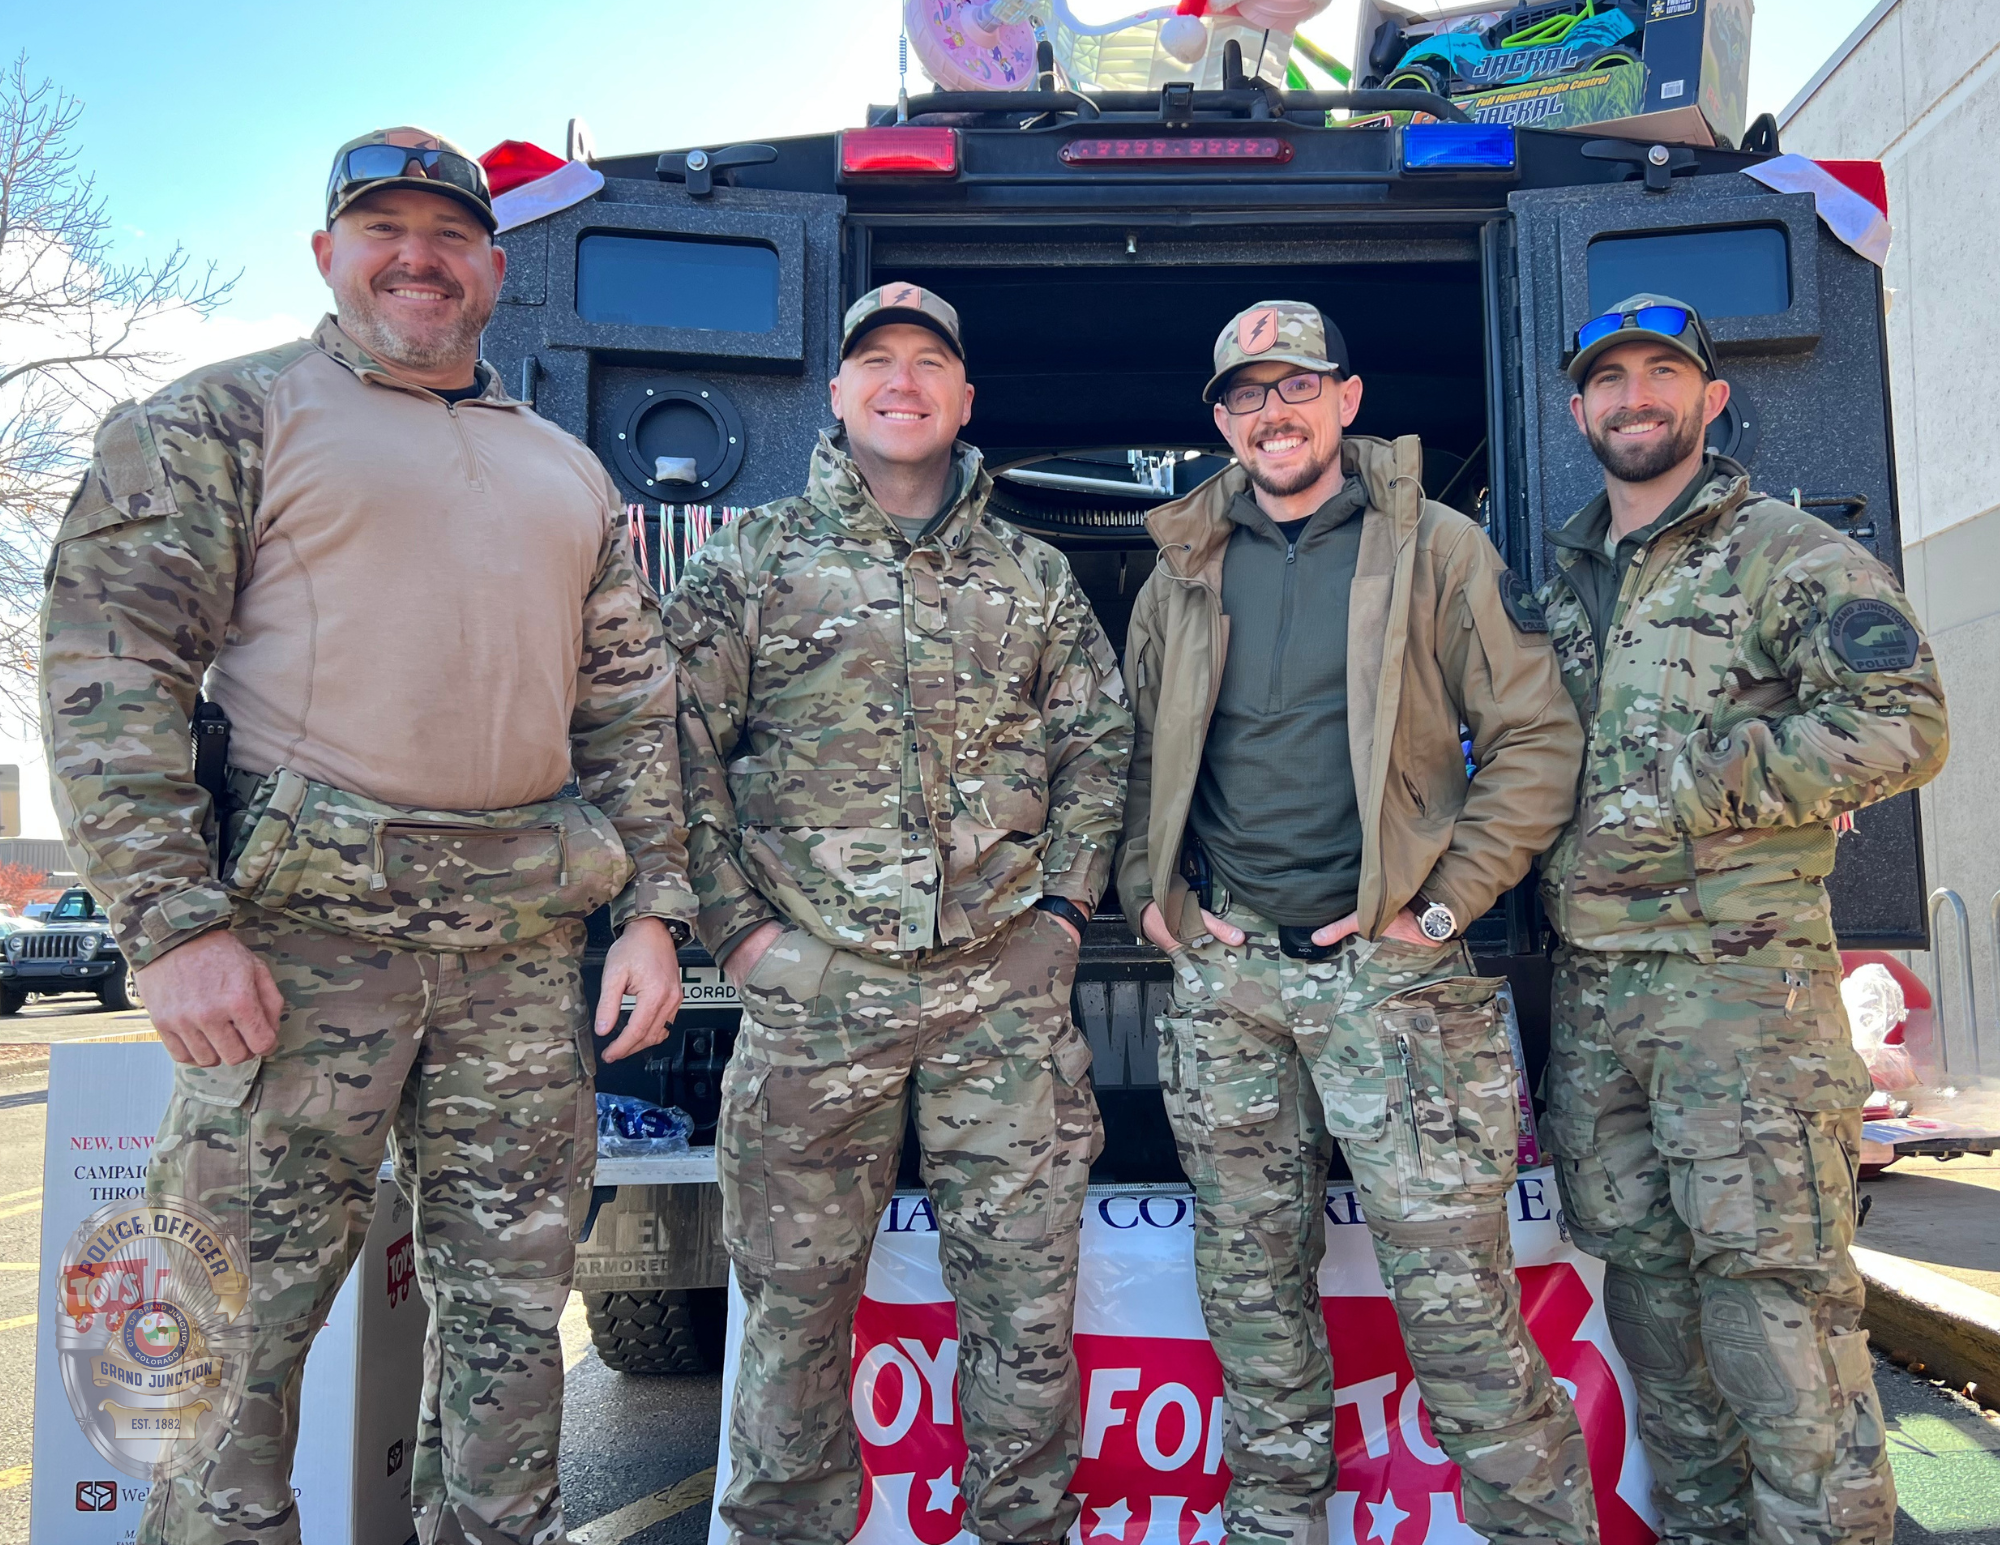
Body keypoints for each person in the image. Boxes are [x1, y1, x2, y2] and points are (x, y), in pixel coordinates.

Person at [40, 127, 695, 1545]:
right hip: (297, 948)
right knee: (225, 1330)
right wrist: (175, 924)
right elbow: (113, 664)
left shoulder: (568, 473)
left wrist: (653, 911)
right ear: (326, 253)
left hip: (518, 953)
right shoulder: (223, 418)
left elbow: (632, 713)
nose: (418, 258)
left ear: (494, 269)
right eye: (383, 229)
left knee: (514, 1331)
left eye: (449, 236)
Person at [1117, 300, 1595, 1545]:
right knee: (1250, 1304)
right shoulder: (1180, 566)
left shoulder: (1431, 547)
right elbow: (1124, 757)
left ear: (1345, 398)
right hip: (1230, 991)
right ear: (1218, 421)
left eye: (1294, 388)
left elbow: (1537, 740)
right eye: (1243, 396)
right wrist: (1155, 899)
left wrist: (1438, 908)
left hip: (1392, 985)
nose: (1269, 414)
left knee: (1456, 1309)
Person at [670, 282, 1132, 1545]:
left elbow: (1100, 741)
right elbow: (677, 757)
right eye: (876, 359)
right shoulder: (751, 564)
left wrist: (1062, 907)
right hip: (818, 999)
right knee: (795, 1314)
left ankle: (1023, 1528)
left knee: (1026, 1313)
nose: (903, 380)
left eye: (929, 361)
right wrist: (743, 938)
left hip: (1002, 995)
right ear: (836, 394)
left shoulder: (1031, 575)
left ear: (964, 399)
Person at [1537, 293, 1949, 1545]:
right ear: (1576, 410)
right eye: (1608, 380)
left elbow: (1904, 724)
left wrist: (1679, 790)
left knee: (1779, 1324)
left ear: (1711, 398)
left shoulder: (1782, 551)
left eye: (1662, 372)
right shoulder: (1563, 577)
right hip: (1600, 997)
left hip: (1742, 1000)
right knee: (1654, 1314)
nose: (1634, 398)